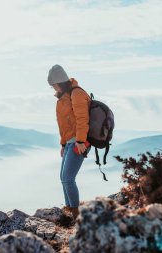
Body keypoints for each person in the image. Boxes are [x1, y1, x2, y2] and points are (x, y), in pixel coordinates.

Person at [47, 64, 91, 220]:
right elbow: (65, 123)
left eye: (53, 85)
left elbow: (82, 119)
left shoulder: (76, 94)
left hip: (79, 142)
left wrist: (80, 141)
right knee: (63, 178)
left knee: (68, 178)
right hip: (70, 142)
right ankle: (69, 209)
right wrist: (63, 144)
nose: (53, 88)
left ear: (59, 81)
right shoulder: (63, 98)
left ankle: (75, 214)